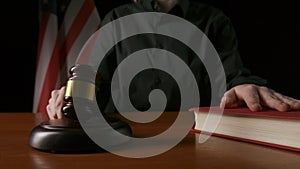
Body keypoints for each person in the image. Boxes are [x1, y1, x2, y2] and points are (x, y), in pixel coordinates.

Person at [46, 0, 300, 120]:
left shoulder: (214, 21)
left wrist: (245, 86)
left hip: (196, 147)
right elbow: (89, 82)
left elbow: (233, 79)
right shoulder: (115, 20)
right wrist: (71, 95)